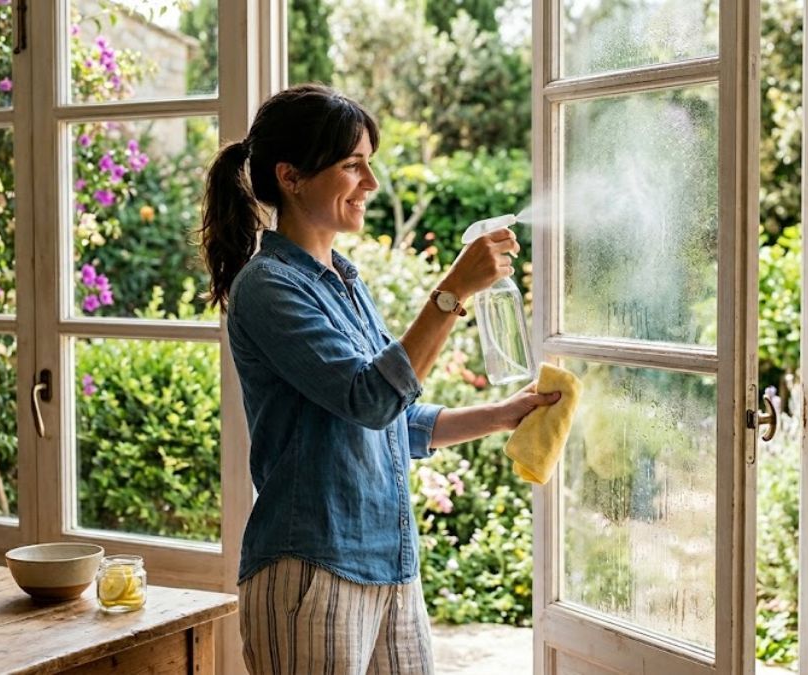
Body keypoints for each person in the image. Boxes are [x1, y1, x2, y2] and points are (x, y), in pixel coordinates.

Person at [199, 83, 560, 675]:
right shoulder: (267, 288)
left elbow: (394, 418)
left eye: (369, 164)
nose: (370, 183)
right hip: (310, 572)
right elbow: (369, 398)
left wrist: (502, 415)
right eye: (352, 166)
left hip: (391, 566)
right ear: (290, 177)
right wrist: (449, 295)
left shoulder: (345, 280)